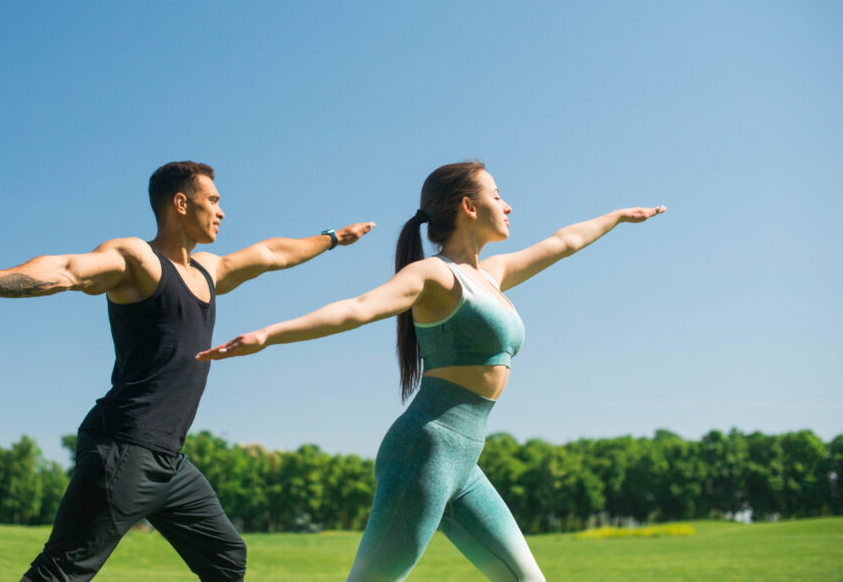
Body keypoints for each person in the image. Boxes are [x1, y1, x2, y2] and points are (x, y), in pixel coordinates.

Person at [0, 160, 375, 582]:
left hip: (169, 461)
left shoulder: (208, 270)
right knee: (61, 571)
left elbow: (273, 253)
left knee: (227, 558)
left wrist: (333, 238)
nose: (222, 211)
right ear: (180, 203)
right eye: (212, 200)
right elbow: (66, 269)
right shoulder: (139, 261)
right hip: (125, 448)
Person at [197, 161, 665, 581]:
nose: (508, 205)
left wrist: (618, 217)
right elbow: (358, 309)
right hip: (423, 455)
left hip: (462, 463)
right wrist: (268, 335)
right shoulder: (435, 277)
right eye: (497, 195)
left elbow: (563, 242)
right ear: (469, 206)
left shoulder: (491, 275)